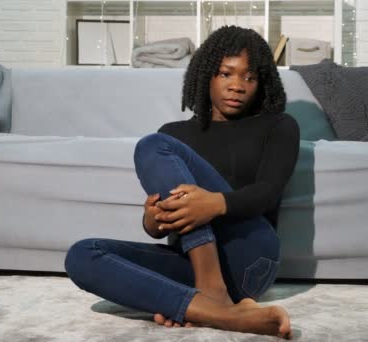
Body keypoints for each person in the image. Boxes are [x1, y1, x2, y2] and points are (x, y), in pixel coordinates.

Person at [64, 25, 300, 339]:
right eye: (225, 74)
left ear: (262, 83)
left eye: (249, 77)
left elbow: (267, 193)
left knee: (153, 145)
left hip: (251, 256)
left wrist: (213, 204)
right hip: (187, 264)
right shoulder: (175, 134)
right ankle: (214, 311)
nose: (237, 86)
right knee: (82, 256)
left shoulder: (278, 126)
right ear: (206, 75)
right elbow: (164, 225)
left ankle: (208, 292)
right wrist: (153, 222)